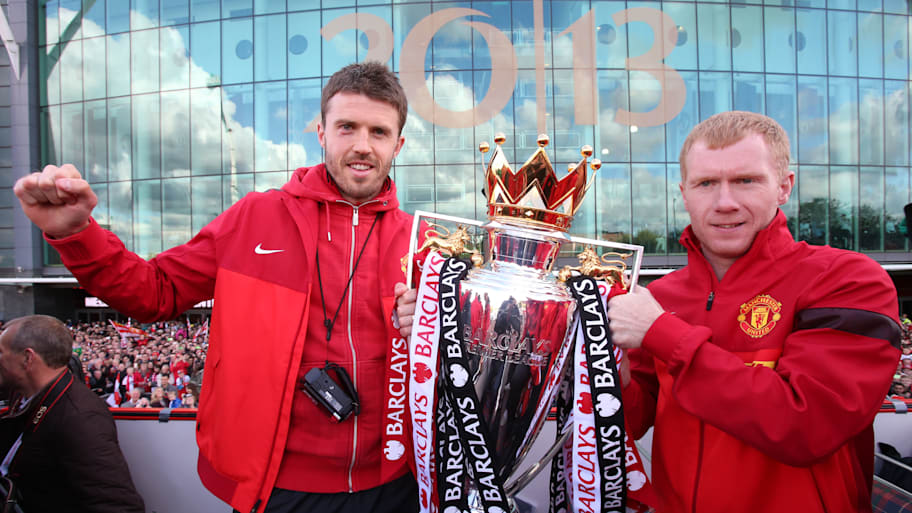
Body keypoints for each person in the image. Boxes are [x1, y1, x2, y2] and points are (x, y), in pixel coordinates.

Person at [15, 61, 417, 513]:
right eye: (347, 127)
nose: (362, 146)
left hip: (396, 484)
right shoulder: (255, 217)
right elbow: (155, 292)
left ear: (398, 143)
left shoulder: (421, 242)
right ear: (321, 133)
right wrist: (76, 234)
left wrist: (434, 328)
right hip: (278, 488)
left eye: (379, 132)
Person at [604, 111, 902, 512]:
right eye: (706, 183)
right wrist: (610, 370)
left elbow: (806, 425)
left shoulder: (847, 279)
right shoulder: (662, 296)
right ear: (684, 193)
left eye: (746, 180)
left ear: (784, 187)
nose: (725, 202)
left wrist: (661, 332)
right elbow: (632, 419)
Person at [0, 315, 144, 513]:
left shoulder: (81, 416)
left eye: (0, 352)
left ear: (27, 358)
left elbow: (117, 506)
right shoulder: (23, 393)